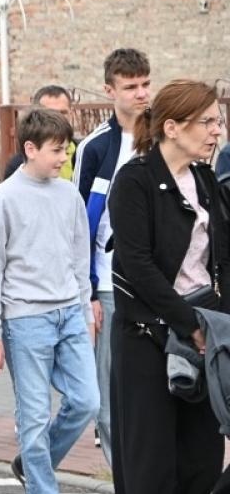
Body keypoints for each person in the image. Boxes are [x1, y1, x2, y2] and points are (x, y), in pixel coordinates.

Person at [107, 79, 229, 494]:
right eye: (208, 122)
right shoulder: (134, 182)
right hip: (146, 338)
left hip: (202, 332)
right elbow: (135, 265)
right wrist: (187, 324)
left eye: (219, 121)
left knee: (202, 464)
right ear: (173, 127)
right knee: (150, 468)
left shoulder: (206, 181)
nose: (217, 131)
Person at [0, 107, 98, 494]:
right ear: (30, 149)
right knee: (32, 414)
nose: (62, 158)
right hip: (24, 317)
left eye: (65, 150)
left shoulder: (68, 195)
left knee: (87, 401)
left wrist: (84, 311)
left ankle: (32, 465)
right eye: (55, 150)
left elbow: (80, 257)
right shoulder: (5, 198)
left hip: (68, 310)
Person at [74, 48, 152, 469]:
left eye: (145, 85)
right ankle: (120, 470)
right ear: (110, 91)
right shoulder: (95, 148)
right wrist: (85, 290)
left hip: (160, 283)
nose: (140, 94)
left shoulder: (163, 137)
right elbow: (77, 225)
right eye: (130, 87)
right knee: (108, 384)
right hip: (107, 284)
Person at [3, 85, 76, 180]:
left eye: (63, 113)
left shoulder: (84, 153)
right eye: (50, 113)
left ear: (72, 114)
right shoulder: (19, 164)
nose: (58, 118)